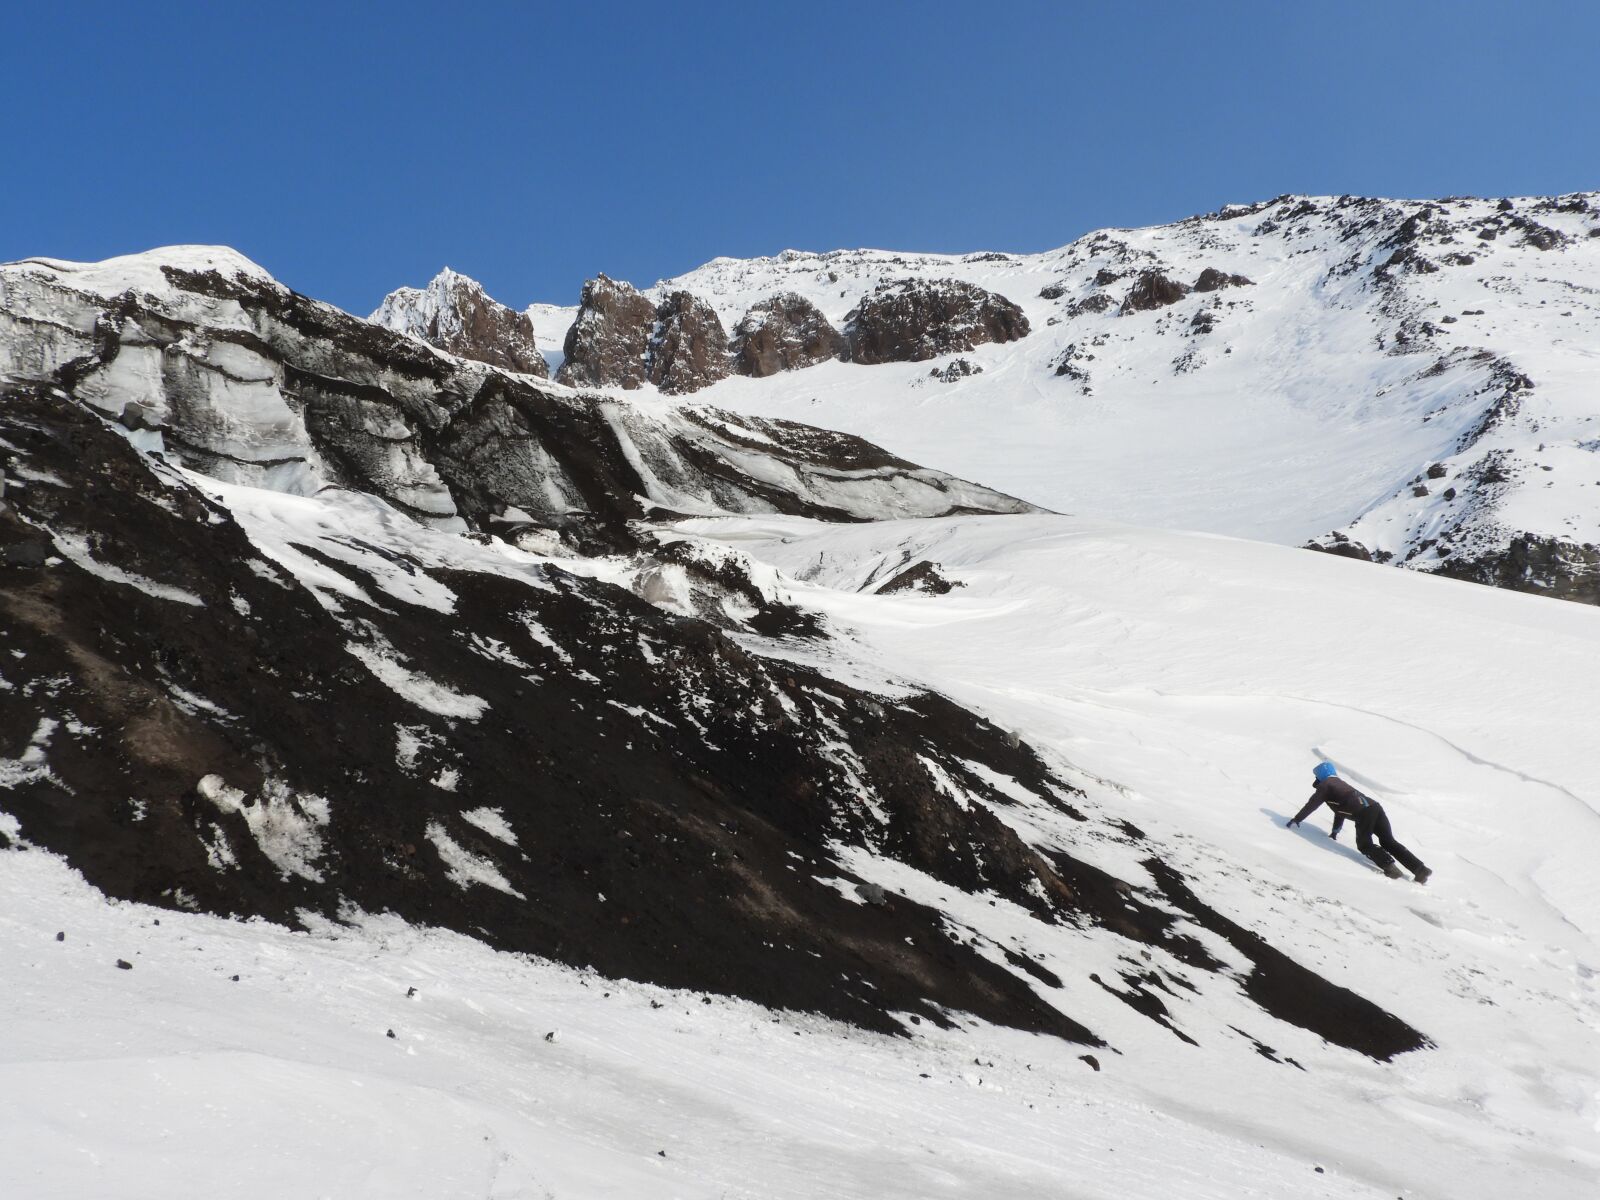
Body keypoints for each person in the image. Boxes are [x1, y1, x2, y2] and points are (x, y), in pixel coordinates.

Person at [1287, 761, 1431, 884]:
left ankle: (1391, 868)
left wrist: (1296, 820)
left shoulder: (1326, 785)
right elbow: (1340, 810)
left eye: (1316, 776)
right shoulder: (1339, 784)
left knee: (1364, 844)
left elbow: (1312, 804)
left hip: (1363, 813)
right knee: (1388, 841)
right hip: (1375, 807)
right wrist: (1335, 831)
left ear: (1320, 775)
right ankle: (1420, 870)